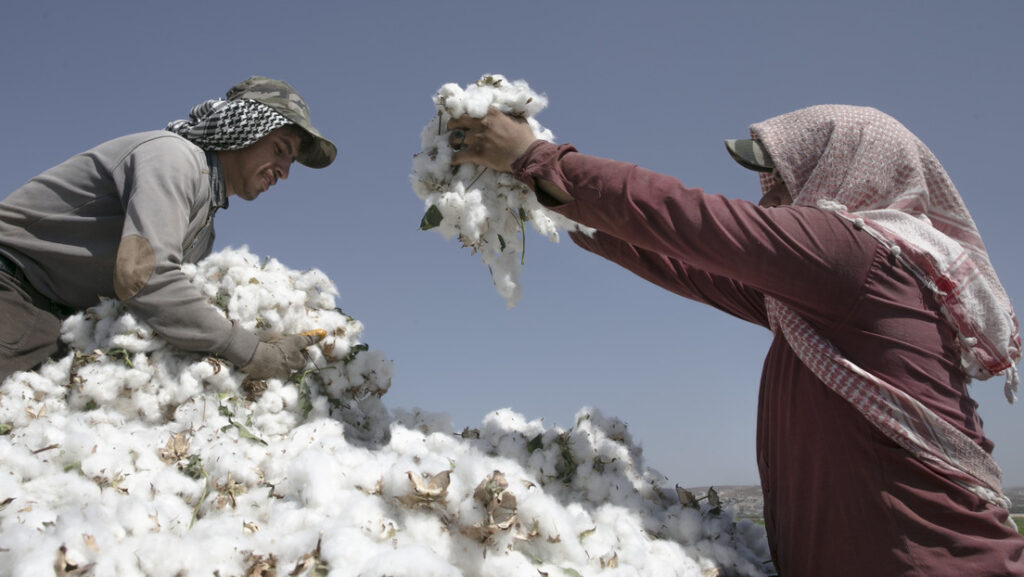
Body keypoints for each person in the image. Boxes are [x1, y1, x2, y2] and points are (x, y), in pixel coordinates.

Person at [446, 105, 1024, 576]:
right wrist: (572, 215)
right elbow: (698, 268)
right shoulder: (822, 295)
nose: (769, 197)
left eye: (781, 179)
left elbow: (693, 220)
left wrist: (540, 160)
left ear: (843, 167)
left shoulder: (858, 257)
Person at [0, 76, 336, 383]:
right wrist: (251, 352)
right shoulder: (173, 159)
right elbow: (145, 277)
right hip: (14, 289)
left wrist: (257, 338)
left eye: (290, 162)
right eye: (279, 150)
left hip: (57, 322)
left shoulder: (205, 225)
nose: (283, 172)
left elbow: (164, 304)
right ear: (243, 129)